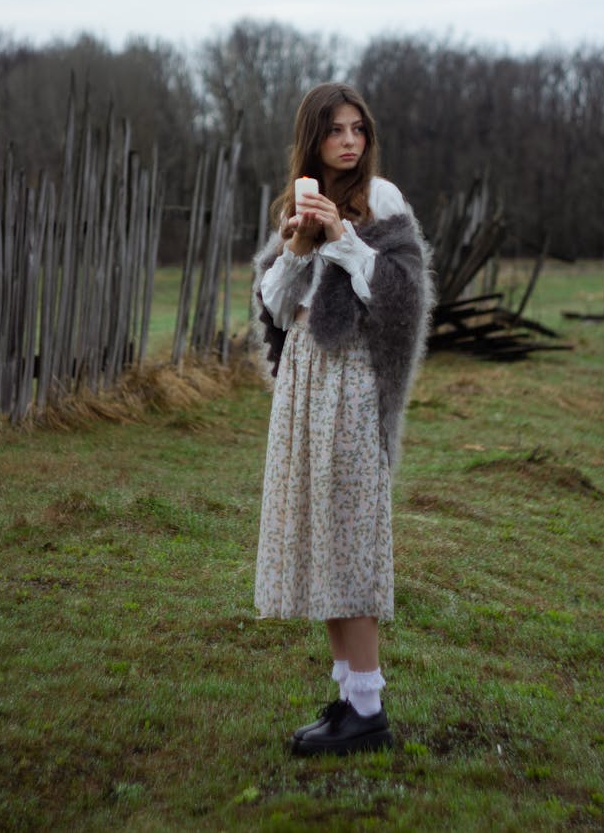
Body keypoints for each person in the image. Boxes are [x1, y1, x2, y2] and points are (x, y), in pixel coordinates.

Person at [252, 82, 434, 756]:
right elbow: (275, 307)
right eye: (336, 130)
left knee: (352, 533)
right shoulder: (295, 201)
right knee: (323, 536)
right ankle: (354, 698)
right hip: (306, 380)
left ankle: (369, 708)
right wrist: (299, 245)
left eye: (358, 128)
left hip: (355, 382)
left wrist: (346, 239)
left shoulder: (382, 201)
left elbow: (402, 297)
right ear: (314, 138)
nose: (350, 141)